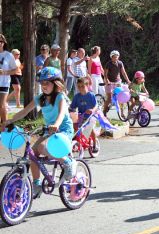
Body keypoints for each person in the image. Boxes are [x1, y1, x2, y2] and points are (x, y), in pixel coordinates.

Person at [1, 67, 76, 195]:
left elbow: (62, 113)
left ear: (56, 83)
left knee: (42, 147)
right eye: (42, 83)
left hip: (63, 130)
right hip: (49, 131)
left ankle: (68, 162)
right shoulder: (40, 98)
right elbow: (24, 112)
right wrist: (9, 121)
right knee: (32, 153)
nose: (43, 86)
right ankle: (37, 184)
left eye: (46, 83)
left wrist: (56, 124)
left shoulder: (60, 97)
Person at [69, 77, 99, 153]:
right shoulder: (76, 96)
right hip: (81, 116)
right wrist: (69, 109)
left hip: (91, 116)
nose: (80, 88)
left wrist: (92, 110)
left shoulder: (91, 95)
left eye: (82, 86)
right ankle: (76, 142)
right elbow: (72, 107)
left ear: (87, 85)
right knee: (74, 127)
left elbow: (96, 105)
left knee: (90, 128)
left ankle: (95, 144)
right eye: (79, 86)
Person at [103, 50, 131, 116]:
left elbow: (123, 73)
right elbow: (105, 74)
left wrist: (128, 81)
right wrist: (107, 81)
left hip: (118, 82)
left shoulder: (120, 63)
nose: (115, 58)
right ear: (111, 57)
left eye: (116, 57)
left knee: (121, 97)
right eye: (114, 57)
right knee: (109, 98)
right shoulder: (108, 64)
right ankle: (104, 111)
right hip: (110, 83)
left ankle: (122, 113)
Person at [0, 34, 17, 124]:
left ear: (4, 43)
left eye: (1, 41)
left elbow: (15, 70)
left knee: (2, 105)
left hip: (4, 83)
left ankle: (5, 125)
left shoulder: (9, 55)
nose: (0, 43)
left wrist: (5, 72)